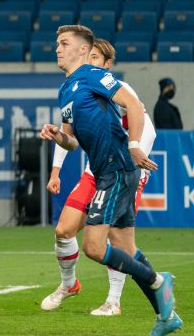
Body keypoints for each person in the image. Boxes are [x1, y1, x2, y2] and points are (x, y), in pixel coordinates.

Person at [40, 25, 180, 335]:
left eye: (64, 43)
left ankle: (158, 282)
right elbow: (73, 141)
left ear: (81, 50)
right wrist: (58, 136)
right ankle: (166, 316)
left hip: (116, 169)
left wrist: (133, 147)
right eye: (57, 44)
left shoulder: (92, 75)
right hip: (106, 171)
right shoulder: (65, 89)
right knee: (126, 250)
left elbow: (132, 103)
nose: (57, 49)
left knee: (93, 246)